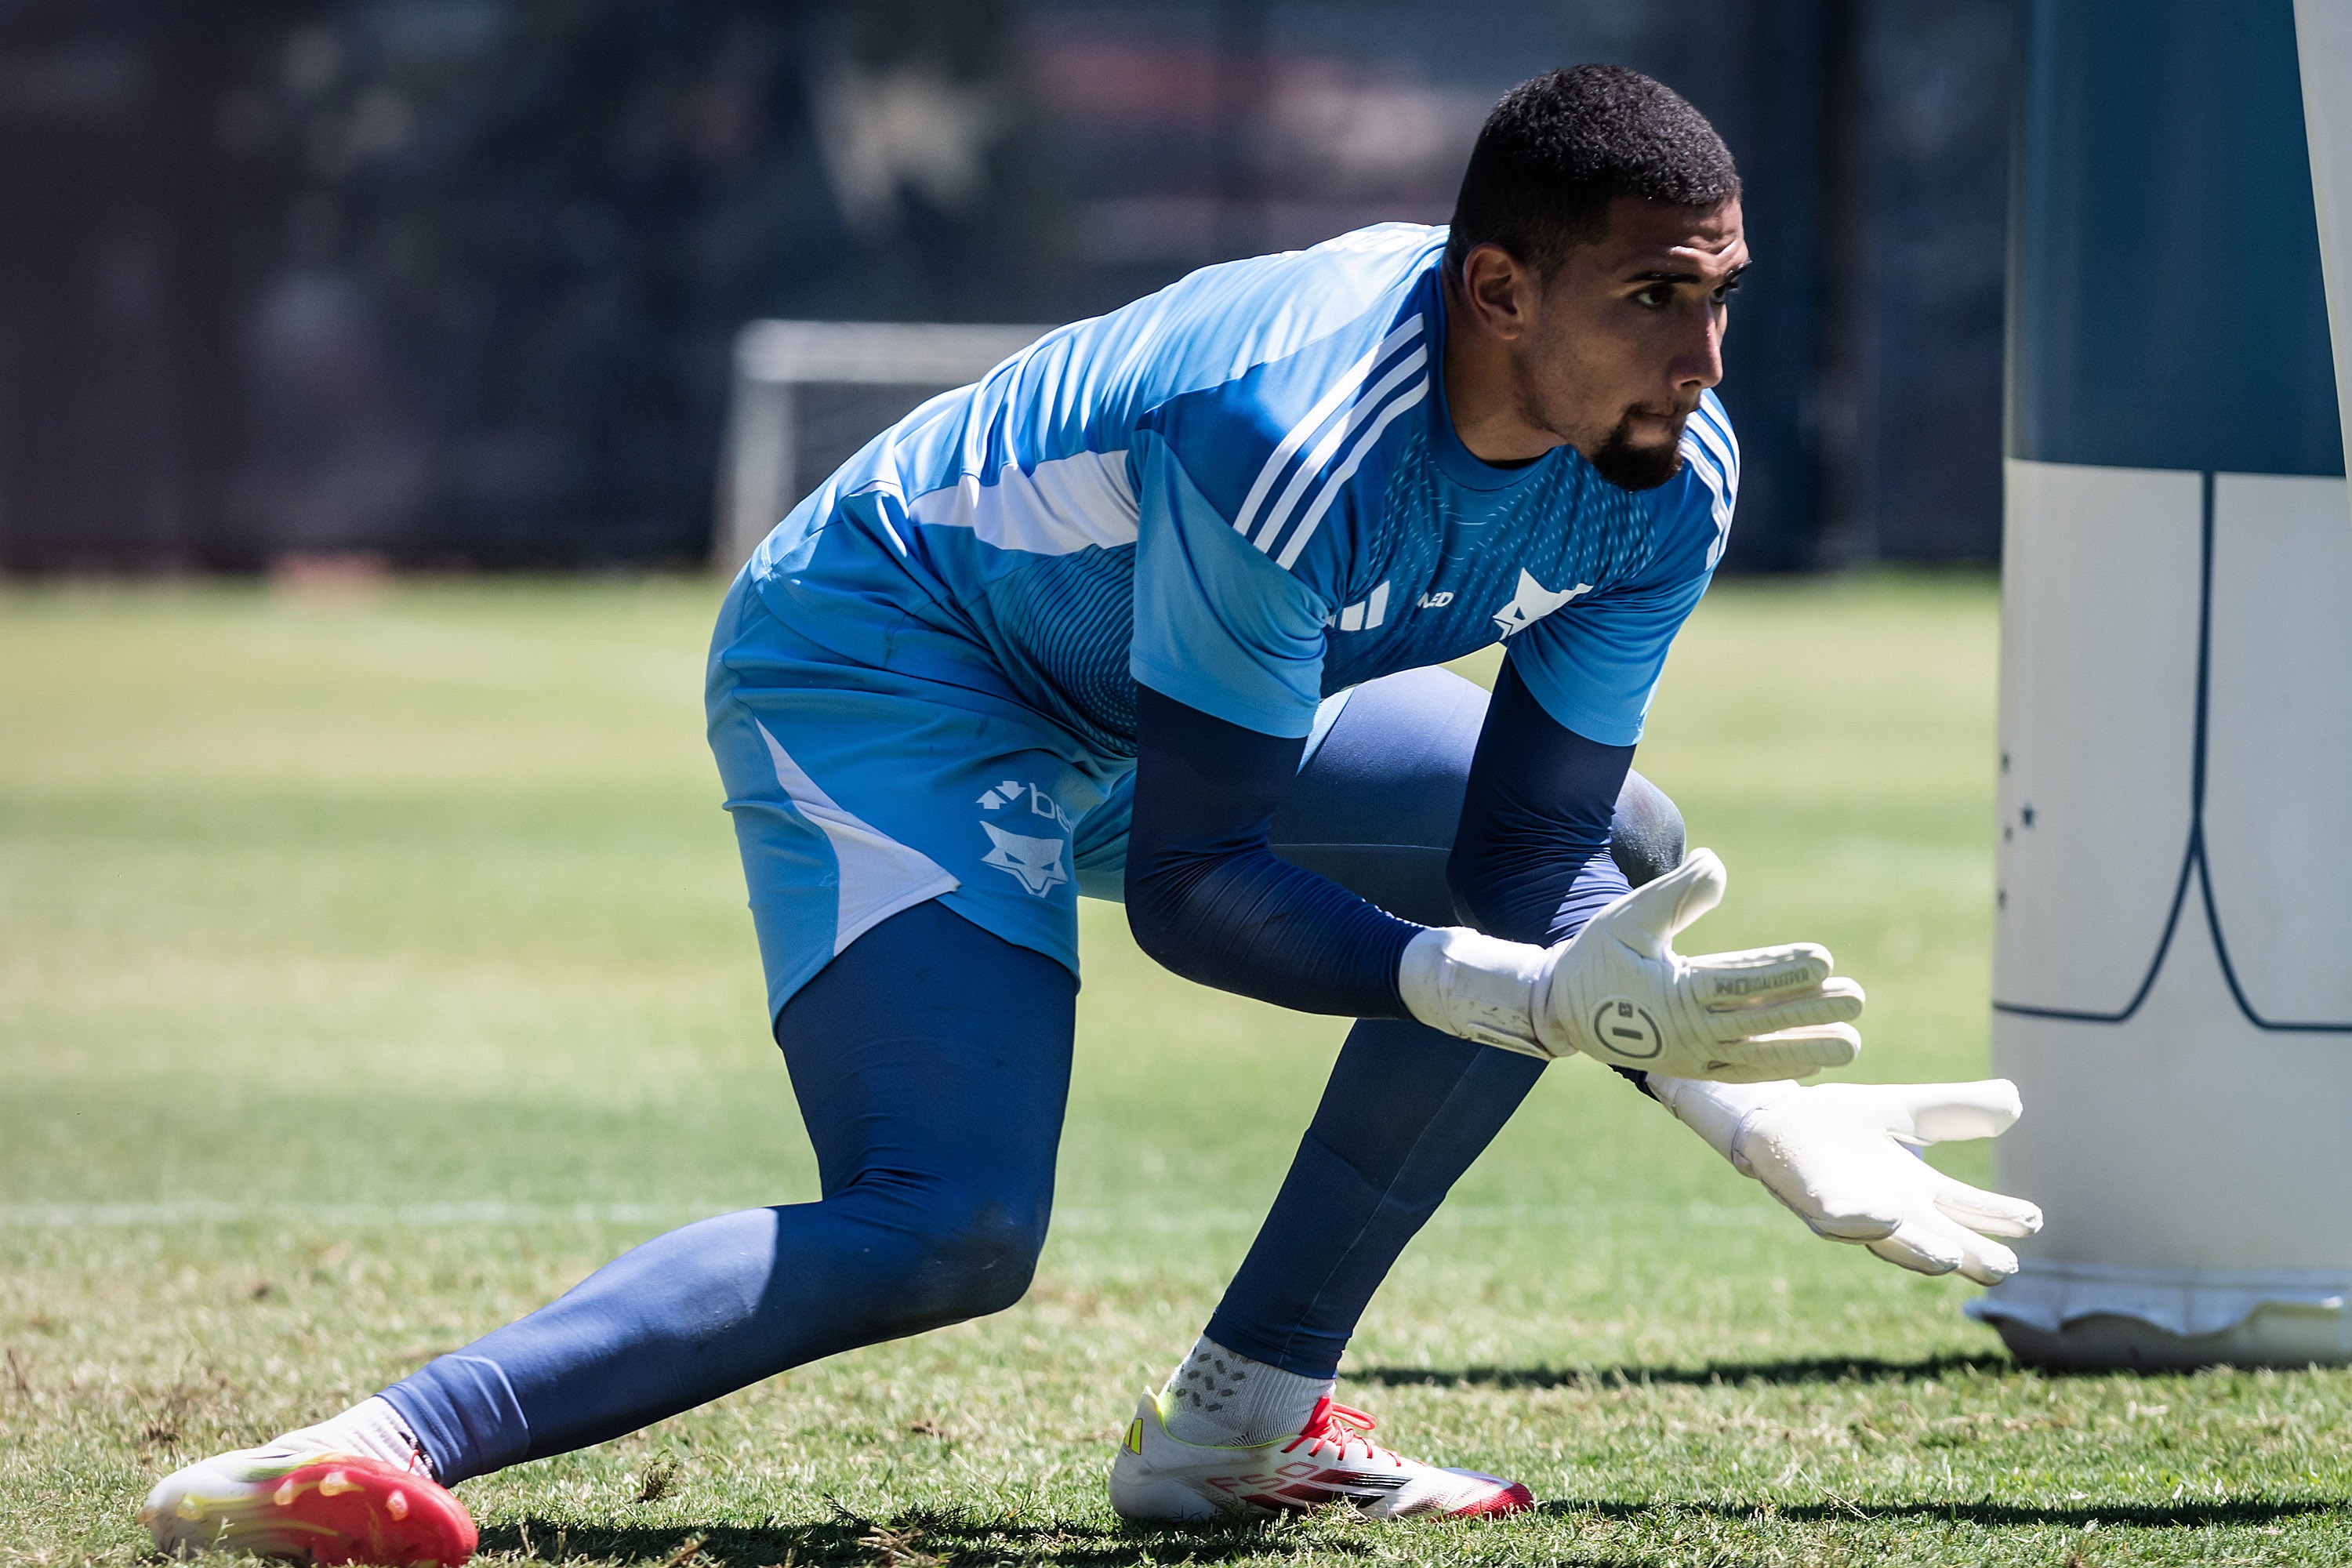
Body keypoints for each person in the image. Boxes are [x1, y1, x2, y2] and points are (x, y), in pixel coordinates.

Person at [141, 65, 2040, 1559]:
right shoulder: (1288, 438)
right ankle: (377, 1439)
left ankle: (1242, 1419)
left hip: (1170, 693)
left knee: (1617, 855)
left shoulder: (1668, 476)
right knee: (948, 1224)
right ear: (1498, 288)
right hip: (901, 662)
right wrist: (1545, 1003)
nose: (1707, 365)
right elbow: (1201, 890)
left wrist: (1729, 1093)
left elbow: (1532, 873)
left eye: (1721, 298)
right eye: (1655, 301)